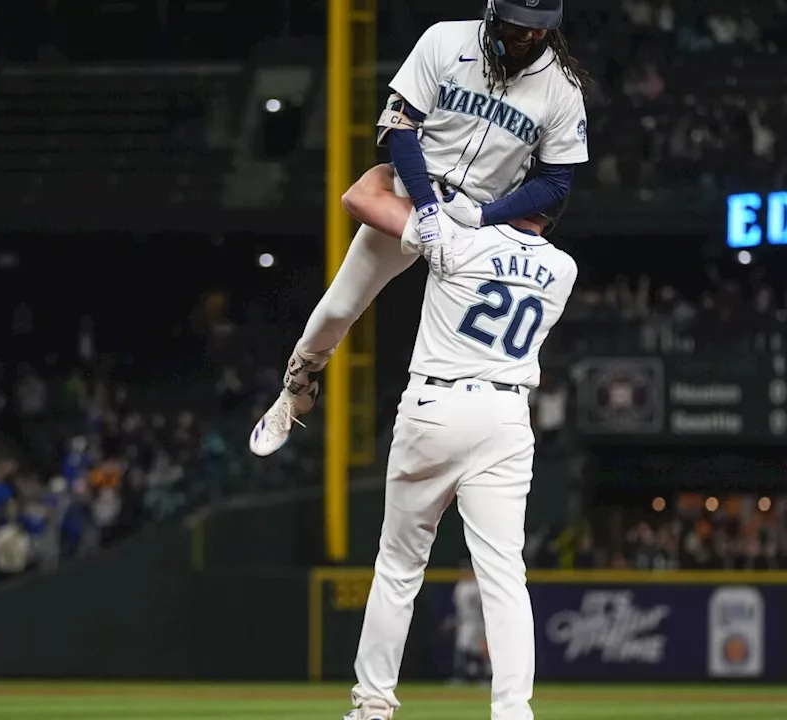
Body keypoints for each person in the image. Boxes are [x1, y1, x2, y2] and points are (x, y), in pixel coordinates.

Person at [249, 0, 590, 455]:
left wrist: (487, 217)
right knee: (337, 308)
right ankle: (297, 387)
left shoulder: (561, 86)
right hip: (418, 194)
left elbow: (556, 181)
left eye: (539, 28)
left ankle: (478, 441)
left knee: (469, 348)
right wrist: (427, 209)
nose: (528, 36)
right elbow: (401, 127)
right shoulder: (444, 40)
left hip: (484, 223)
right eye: (518, 25)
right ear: (492, 12)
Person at [337, 164, 577, 720]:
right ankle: (513, 712)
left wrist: (410, 172)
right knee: (504, 574)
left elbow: (360, 198)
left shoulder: (459, 232)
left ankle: (373, 706)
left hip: (437, 405)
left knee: (399, 566)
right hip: (506, 416)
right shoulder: (564, 268)